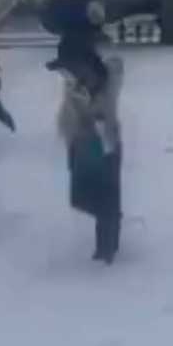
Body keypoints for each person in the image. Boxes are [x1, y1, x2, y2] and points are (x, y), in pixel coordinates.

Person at [48, 51, 125, 264]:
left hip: (106, 148)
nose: (84, 77)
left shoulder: (108, 89)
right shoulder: (75, 92)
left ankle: (107, 245)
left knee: (107, 197)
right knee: (82, 198)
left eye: (87, 73)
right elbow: (66, 121)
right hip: (82, 149)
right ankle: (110, 224)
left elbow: (116, 66)